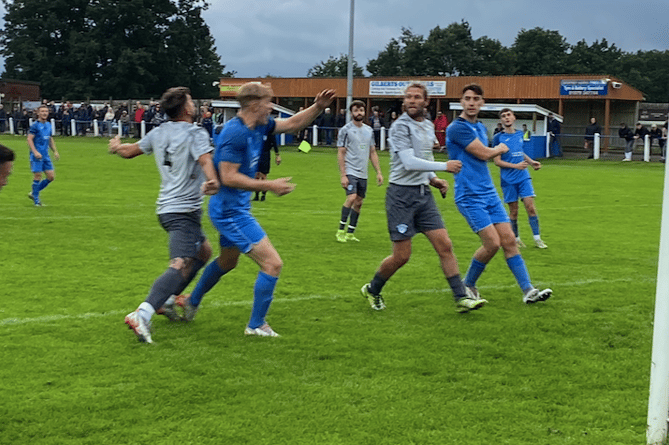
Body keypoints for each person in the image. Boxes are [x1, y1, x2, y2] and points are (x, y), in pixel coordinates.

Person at [175, 82, 336, 337]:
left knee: (227, 262)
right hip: (230, 212)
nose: (271, 107)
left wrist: (318, 107)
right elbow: (228, 177)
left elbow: (292, 125)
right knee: (272, 264)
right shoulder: (235, 133)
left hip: (233, 208)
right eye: (268, 102)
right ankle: (256, 325)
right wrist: (269, 185)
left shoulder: (260, 125)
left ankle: (191, 302)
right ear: (253, 105)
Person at [108, 86, 221, 344]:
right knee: (180, 262)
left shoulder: (158, 133)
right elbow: (205, 161)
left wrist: (116, 147)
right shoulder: (195, 133)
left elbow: (129, 151)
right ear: (187, 108)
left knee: (203, 252)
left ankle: (167, 300)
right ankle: (144, 312)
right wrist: (213, 181)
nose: (194, 105)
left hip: (167, 208)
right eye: (191, 101)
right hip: (183, 210)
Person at [359, 83, 481, 313]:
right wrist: (444, 167)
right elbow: (409, 162)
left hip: (423, 194)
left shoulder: (426, 125)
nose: (412, 100)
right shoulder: (399, 127)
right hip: (401, 195)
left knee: (445, 245)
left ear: (426, 101)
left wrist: (434, 179)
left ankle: (461, 297)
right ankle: (373, 289)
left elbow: (424, 157)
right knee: (402, 256)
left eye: (417, 97)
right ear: (404, 102)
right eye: (408, 97)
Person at [446, 84, 552, 305]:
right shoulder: (457, 128)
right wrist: (501, 149)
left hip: (489, 193)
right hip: (469, 195)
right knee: (492, 243)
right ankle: (468, 284)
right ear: (461, 103)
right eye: (467, 99)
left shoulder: (481, 128)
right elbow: (484, 154)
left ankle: (528, 290)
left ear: (482, 102)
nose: (472, 103)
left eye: (476, 98)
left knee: (509, 240)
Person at [493, 108, 547, 249]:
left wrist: (531, 162)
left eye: (508, 115)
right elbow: (497, 161)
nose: (506, 118)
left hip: (523, 177)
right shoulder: (498, 138)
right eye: (503, 116)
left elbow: (520, 152)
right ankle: (516, 239)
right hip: (508, 180)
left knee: (531, 207)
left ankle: (537, 239)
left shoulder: (519, 134)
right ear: (501, 120)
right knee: (514, 212)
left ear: (514, 117)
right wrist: (515, 166)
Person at [335, 100, 383, 243]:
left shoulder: (369, 130)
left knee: (359, 202)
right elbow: (341, 153)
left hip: (363, 172)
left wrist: (379, 172)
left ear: (364, 112)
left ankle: (350, 232)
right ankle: (340, 231)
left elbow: (372, 152)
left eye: (361, 110)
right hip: (351, 170)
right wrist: (343, 175)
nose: (359, 113)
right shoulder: (345, 130)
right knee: (351, 197)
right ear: (351, 113)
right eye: (356, 110)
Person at [27, 105, 59, 206]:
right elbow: (29, 139)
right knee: (38, 175)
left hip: (45, 155)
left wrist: (55, 151)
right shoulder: (35, 125)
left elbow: (50, 138)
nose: (44, 113)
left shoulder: (49, 125)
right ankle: (36, 201)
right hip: (37, 155)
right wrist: (35, 152)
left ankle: (34, 192)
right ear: (38, 113)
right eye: (42, 111)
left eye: (46, 111)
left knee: (51, 176)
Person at [253, 132, 281, 201]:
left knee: (263, 175)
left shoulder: (270, 131)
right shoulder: (256, 129)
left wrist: (277, 155)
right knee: (256, 175)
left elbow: (274, 143)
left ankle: (263, 195)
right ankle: (256, 196)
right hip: (256, 154)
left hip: (265, 154)